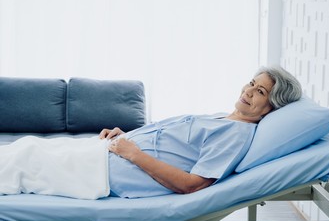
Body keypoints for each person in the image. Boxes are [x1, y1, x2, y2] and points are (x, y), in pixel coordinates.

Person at [99, 66, 302, 198]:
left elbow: (192, 185)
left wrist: (133, 153)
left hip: (108, 173)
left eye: (260, 92)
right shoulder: (224, 117)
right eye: (252, 83)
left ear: (273, 107)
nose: (248, 92)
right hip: (107, 151)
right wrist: (128, 136)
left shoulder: (236, 134)